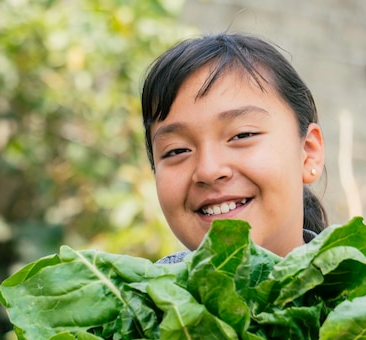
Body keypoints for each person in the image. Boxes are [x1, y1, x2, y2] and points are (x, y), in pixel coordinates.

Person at [140, 33, 328, 263]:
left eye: (242, 135)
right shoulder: (130, 297)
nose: (208, 170)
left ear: (309, 152)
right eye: (177, 150)